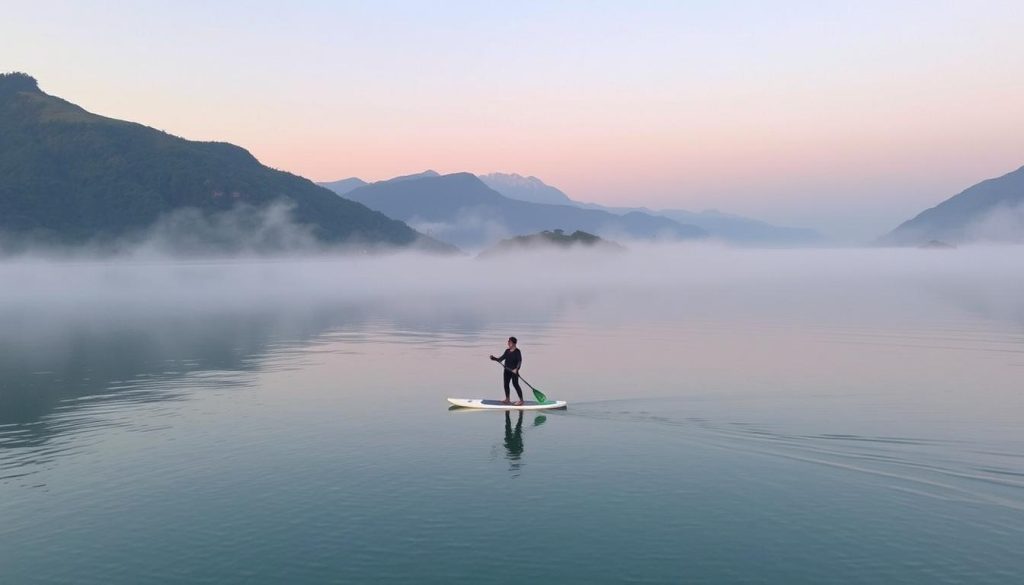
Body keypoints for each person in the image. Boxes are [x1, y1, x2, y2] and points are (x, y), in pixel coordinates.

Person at [490, 336, 523, 405]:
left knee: (515, 385)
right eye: (508, 341)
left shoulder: (517, 351)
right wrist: (494, 358)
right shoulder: (507, 351)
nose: (508, 343)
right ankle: (507, 399)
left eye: (509, 342)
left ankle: (521, 400)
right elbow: (501, 359)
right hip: (507, 371)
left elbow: (519, 361)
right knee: (506, 384)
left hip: (514, 371)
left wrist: (516, 369)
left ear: (514, 343)